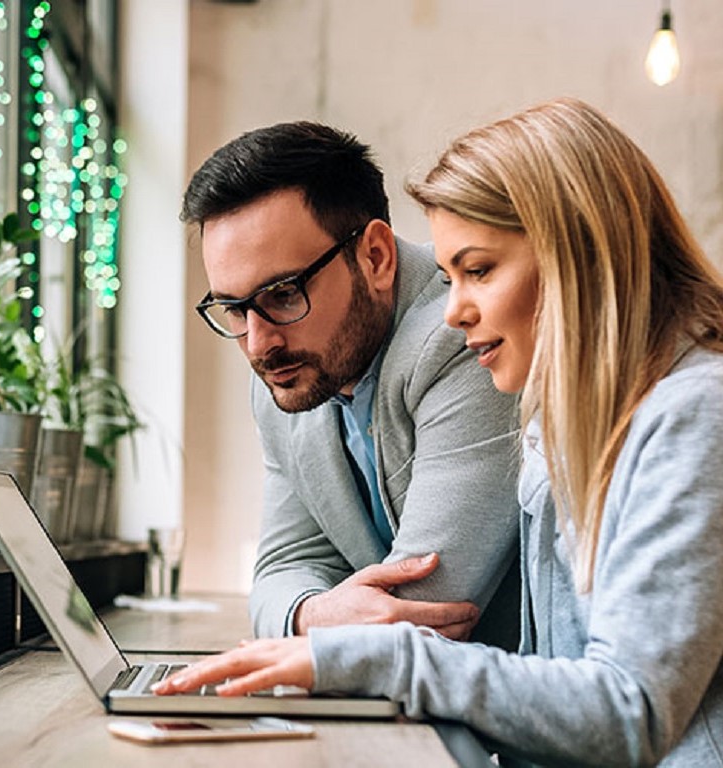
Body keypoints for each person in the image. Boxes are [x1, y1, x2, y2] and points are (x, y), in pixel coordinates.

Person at [157, 98, 723, 767]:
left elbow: (628, 709)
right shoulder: (568, 420)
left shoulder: (692, 414)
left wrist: (357, 653)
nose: (453, 311)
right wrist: (315, 633)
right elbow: (284, 571)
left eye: (478, 270)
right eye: (451, 275)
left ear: (580, 257)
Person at [183, 122, 521, 648]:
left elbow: (423, 608)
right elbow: (283, 567)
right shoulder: (292, 372)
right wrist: (310, 615)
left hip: (509, 711)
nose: (257, 344)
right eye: (234, 309)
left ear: (376, 258)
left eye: (283, 294)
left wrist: (312, 621)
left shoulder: (469, 336)